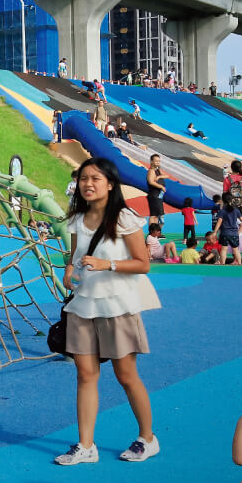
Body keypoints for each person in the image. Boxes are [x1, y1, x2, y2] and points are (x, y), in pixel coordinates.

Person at [52, 157, 161, 466]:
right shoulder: (77, 219)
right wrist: (69, 269)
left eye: (95, 179)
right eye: (84, 178)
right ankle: (86, 445)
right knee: (85, 375)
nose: (88, 184)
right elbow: (74, 255)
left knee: (126, 375)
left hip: (117, 305)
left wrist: (107, 264)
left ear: (110, 184)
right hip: (83, 304)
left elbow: (143, 263)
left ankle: (147, 438)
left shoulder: (124, 218)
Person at [214, 191, 242, 266]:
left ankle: (222, 263)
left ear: (223, 200)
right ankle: (240, 263)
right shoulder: (236, 210)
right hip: (234, 233)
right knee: (235, 249)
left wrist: (215, 232)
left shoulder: (222, 211)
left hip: (225, 233)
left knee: (224, 249)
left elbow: (219, 222)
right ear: (232, 200)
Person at [144, 155, 167, 235]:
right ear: (151, 161)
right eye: (156, 161)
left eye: (159, 161)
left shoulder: (157, 170)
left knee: (156, 215)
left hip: (158, 195)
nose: (158, 162)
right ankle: (151, 233)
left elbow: (167, 176)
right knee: (153, 215)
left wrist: (159, 176)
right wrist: (161, 186)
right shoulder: (151, 171)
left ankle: (155, 233)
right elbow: (150, 182)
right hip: (154, 195)